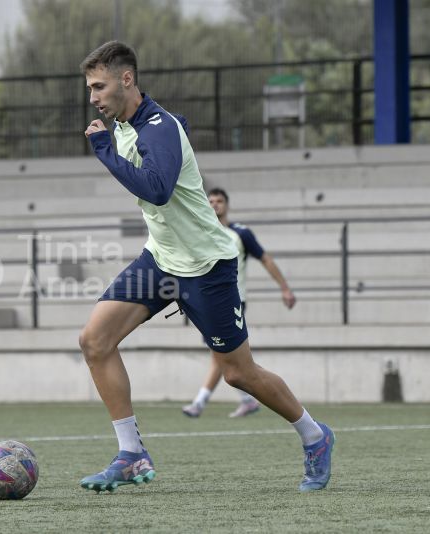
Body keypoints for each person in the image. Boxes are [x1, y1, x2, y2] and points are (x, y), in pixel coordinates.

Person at [77, 41, 333, 494]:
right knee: (95, 341)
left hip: (207, 268)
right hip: (160, 260)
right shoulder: (128, 125)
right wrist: (117, 142)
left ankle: (315, 436)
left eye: (99, 86)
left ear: (126, 79)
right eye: (90, 88)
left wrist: (104, 151)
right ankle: (132, 454)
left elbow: (157, 190)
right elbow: (166, 156)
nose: (93, 96)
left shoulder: (156, 126)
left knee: (238, 373)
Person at [182, 187, 297, 418]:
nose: (215, 205)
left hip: (234, 300)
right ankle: (247, 399)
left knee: (220, 351)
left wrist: (284, 287)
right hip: (205, 301)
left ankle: (200, 402)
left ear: (227, 205)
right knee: (225, 356)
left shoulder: (240, 234)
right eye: (211, 201)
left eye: (219, 201)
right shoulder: (199, 232)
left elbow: (265, 259)